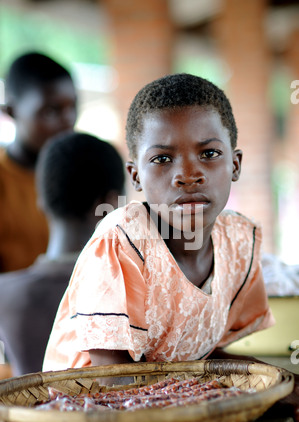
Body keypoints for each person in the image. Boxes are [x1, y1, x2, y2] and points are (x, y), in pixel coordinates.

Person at [43, 72, 275, 375]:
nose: (188, 174)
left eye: (209, 153)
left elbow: (198, 354)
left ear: (235, 164)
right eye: (163, 159)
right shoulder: (121, 244)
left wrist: (273, 380)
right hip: (87, 412)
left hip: (173, 401)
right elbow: (113, 384)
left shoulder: (239, 241)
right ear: (136, 175)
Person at [0, 131, 125, 376]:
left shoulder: (6, 293)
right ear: (109, 205)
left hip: (26, 414)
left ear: (41, 201)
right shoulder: (127, 288)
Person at [0, 52, 77, 273]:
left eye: (73, 107)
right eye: (51, 111)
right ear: (11, 111)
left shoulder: (80, 174)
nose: (68, 121)